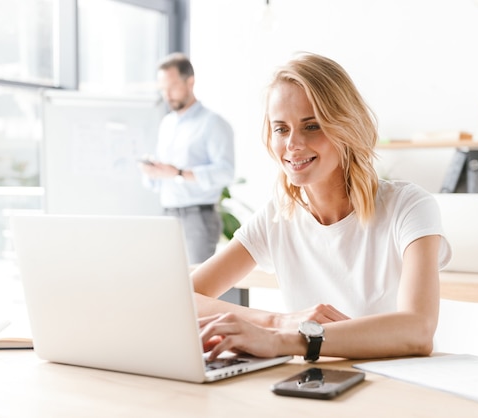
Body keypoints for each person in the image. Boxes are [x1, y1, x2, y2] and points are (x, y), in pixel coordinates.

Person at [191, 52, 451, 362]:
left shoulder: (409, 206)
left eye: (311, 126)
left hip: (393, 388)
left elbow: (418, 331)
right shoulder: (278, 217)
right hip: (313, 384)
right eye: (281, 129)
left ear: (345, 127)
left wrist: (287, 340)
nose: (293, 144)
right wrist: (275, 322)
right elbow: (180, 298)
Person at [140, 53, 235, 264]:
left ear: (190, 82)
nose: (167, 94)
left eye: (172, 87)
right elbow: (160, 181)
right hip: (167, 214)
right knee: (166, 281)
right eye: (163, 88)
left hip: (198, 218)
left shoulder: (213, 123)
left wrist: (180, 173)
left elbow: (226, 172)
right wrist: (154, 171)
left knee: (196, 288)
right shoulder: (167, 124)